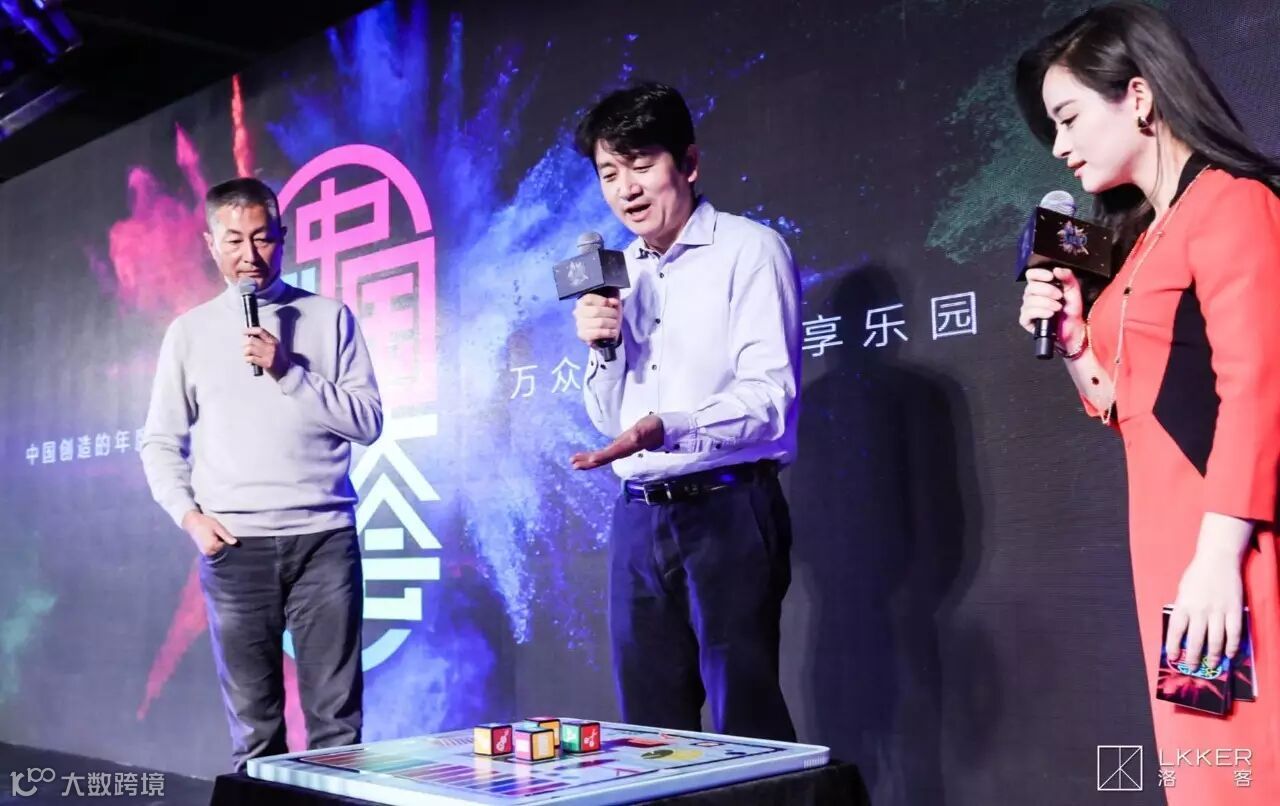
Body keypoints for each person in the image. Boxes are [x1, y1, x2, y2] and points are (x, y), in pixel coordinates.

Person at [1015, 3, 1280, 800]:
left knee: (1247, 766)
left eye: (1067, 118)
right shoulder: (1135, 243)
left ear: (1137, 97)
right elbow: (1123, 404)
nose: (1058, 146)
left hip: (1231, 543)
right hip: (1170, 548)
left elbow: (1257, 385)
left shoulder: (1231, 202)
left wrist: (1219, 556)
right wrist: (1072, 343)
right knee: (1203, 768)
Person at [569, 82, 800, 741]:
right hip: (639, 517)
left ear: (689, 163)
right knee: (648, 728)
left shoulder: (749, 250)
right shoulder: (619, 272)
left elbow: (769, 398)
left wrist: (667, 427)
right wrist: (602, 346)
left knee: (744, 720)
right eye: (609, 173)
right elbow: (606, 415)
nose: (626, 189)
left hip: (728, 506)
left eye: (642, 164)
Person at [140, 177, 382, 770]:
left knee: (338, 726)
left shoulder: (329, 317)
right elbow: (159, 441)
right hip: (236, 546)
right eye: (233, 240)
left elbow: (368, 421)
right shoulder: (189, 332)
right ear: (211, 244)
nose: (250, 254)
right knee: (255, 729)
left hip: (323, 542)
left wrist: (288, 370)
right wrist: (190, 517)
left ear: (283, 237)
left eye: (263, 237)